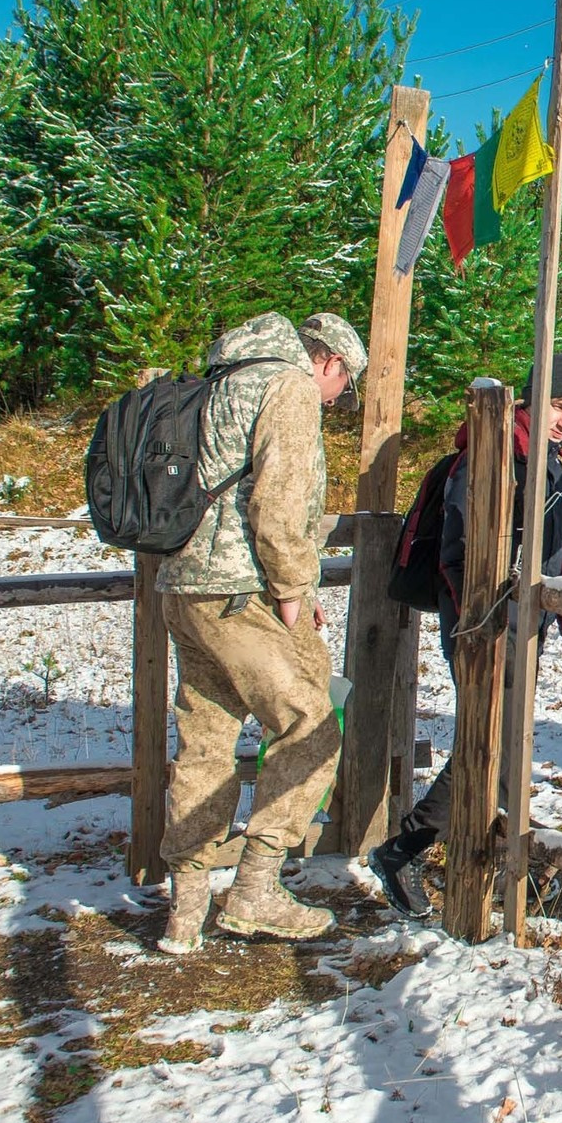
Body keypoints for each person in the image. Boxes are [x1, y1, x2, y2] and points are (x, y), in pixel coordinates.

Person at [150, 310, 363, 956]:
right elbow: (276, 506)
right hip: (238, 591)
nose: (338, 400)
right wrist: (296, 590)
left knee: (207, 739)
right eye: (343, 387)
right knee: (313, 722)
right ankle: (254, 890)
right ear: (329, 363)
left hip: (184, 587)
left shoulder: (224, 377)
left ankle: (185, 910)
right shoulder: (290, 388)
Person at [366, 355, 562, 919]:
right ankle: (405, 849)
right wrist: (483, 624)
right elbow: (459, 553)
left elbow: (556, 556)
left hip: (524, 626)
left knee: (503, 743)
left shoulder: (550, 462)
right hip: (484, 626)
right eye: (558, 405)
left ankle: (505, 861)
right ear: (529, 398)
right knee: (489, 741)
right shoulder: (491, 455)